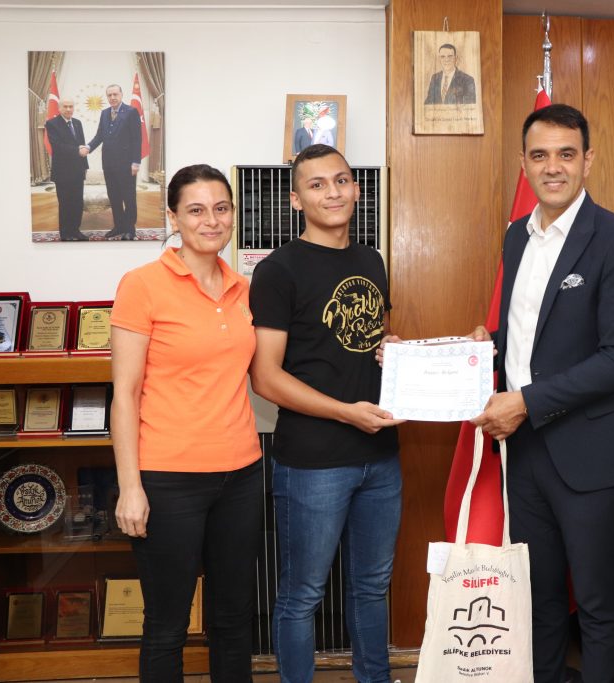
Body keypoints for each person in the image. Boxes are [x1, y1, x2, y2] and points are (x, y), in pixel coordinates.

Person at [468, 103, 614, 683]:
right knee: (538, 599)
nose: (553, 167)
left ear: (588, 161)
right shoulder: (516, 236)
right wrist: (486, 346)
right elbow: (533, 336)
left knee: (597, 604)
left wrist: (524, 402)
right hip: (524, 452)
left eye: (566, 154)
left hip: (592, 456)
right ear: (523, 163)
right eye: (540, 155)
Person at [248, 144, 403, 683]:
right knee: (302, 594)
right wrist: (344, 413)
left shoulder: (371, 260)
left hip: (380, 455)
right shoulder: (278, 270)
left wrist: (391, 348)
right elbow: (266, 377)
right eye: (317, 185)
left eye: (341, 180)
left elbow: (367, 340)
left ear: (356, 188)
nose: (332, 192)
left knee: (372, 586)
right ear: (296, 200)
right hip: (314, 462)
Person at [110, 164, 262, 682]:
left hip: (241, 475)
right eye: (196, 210)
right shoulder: (142, 285)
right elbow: (125, 395)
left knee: (234, 620)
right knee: (167, 625)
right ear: (173, 218)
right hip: (168, 479)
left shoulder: (243, 288)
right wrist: (131, 487)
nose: (211, 221)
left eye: (221, 208)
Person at [82, 84, 142, 240]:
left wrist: (136, 162)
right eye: (109, 95)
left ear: (121, 94)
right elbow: (99, 136)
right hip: (108, 164)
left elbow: (137, 139)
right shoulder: (104, 113)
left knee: (128, 197)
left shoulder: (131, 112)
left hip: (126, 164)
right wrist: (88, 147)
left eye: (115, 94)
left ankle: (130, 229)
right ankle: (119, 226)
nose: (112, 97)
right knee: (114, 197)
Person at [44, 98, 89, 241]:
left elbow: (82, 144)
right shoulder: (52, 124)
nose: (68, 109)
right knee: (65, 203)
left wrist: (85, 166)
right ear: (59, 108)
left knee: (77, 203)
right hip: (63, 171)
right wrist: (77, 150)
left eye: (71, 106)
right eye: (65, 106)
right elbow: (57, 147)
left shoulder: (77, 123)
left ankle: (76, 230)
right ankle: (65, 234)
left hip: (78, 170)